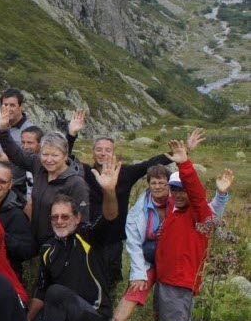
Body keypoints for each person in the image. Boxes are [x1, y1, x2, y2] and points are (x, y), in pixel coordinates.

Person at [66, 110, 199, 288]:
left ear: (114, 153)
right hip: (90, 233)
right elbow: (64, 159)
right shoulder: (85, 172)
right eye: (98, 150)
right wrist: (71, 134)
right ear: (93, 153)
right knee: (86, 276)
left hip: (114, 237)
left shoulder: (126, 173)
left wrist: (185, 150)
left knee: (111, 280)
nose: (102, 153)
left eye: (107, 150)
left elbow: (149, 163)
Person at [108, 166, 232, 321]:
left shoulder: (181, 204)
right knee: (139, 289)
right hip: (150, 259)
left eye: (162, 183)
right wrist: (138, 272)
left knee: (168, 303)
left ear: (168, 185)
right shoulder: (141, 207)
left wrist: (220, 195)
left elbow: (208, 212)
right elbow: (134, 243)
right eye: (153, 183)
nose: (157, 187)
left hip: (174, 264)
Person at [27, 155, 121, 321]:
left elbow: (109, 217)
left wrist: (109, 192)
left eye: (65, 216)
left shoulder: (88, 236)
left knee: (56, 292)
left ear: (77, 218)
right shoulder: (48, 248)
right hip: (65, 311)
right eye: (55, 217)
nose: (59, 221)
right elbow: (41, 291)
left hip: (93, 314)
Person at [151, 140, 220, 321]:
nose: (178, 194)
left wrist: (185, 164)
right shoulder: (175, 211)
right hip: (166, 278)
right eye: (174, 190)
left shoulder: (200, 214)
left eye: (183, 191)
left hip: (180, 281)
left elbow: (197, 194)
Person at [0, 107, 89, 249]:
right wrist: (3, 130)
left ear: (65, 156)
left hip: (60, 246)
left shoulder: (76, 183)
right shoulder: (38, 165)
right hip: (36, 240)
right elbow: (15, 154)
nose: (49, 160)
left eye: (55, 155)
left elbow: (82, 221)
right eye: (45, 154)